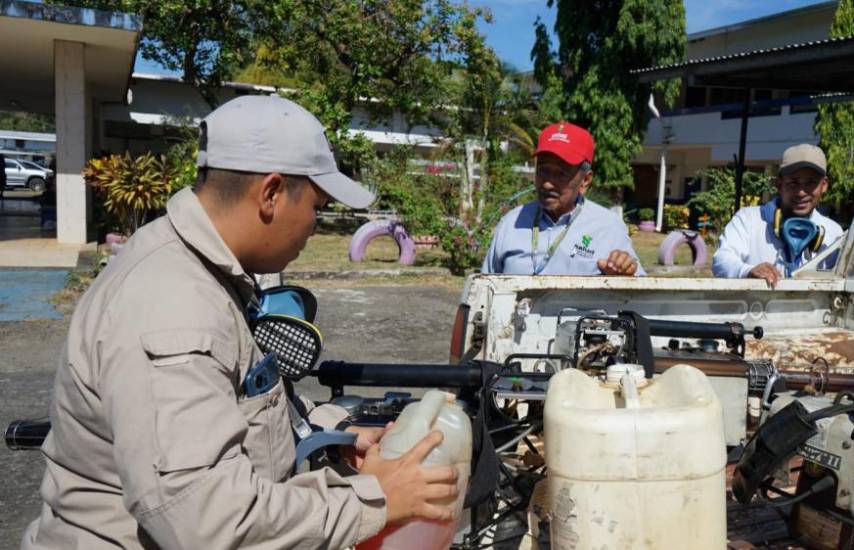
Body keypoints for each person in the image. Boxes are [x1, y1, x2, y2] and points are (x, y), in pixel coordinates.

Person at [22, 96, 458, 549]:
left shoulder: (206, 270)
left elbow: (237, 404)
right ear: (270, 194)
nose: (315, 224)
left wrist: (334, 433)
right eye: (316, 204)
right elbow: (205, 519)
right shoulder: (172, 307)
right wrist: (374, 499)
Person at [481, 121, 644, 276]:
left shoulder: (608, 227)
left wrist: (624, 273)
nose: (547, 184)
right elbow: (480, 292)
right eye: (543, 171)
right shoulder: (511, 222)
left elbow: (639, 294)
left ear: (585, 180)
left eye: (560, 174)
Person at [712, 144, 843, 287]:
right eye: (793, 183)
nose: (801, 192)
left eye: (810, 183)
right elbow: (721, 260)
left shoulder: (834, 233)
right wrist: (748, 271)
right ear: (779, 184)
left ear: (824, 186)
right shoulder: (748, 220)